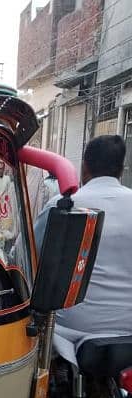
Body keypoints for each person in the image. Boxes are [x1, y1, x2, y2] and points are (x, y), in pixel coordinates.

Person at [34, 135, 132, 363]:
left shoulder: (64, 204)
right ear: (121, 168)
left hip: (75, 326)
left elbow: (30, 254)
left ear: (85, 166)